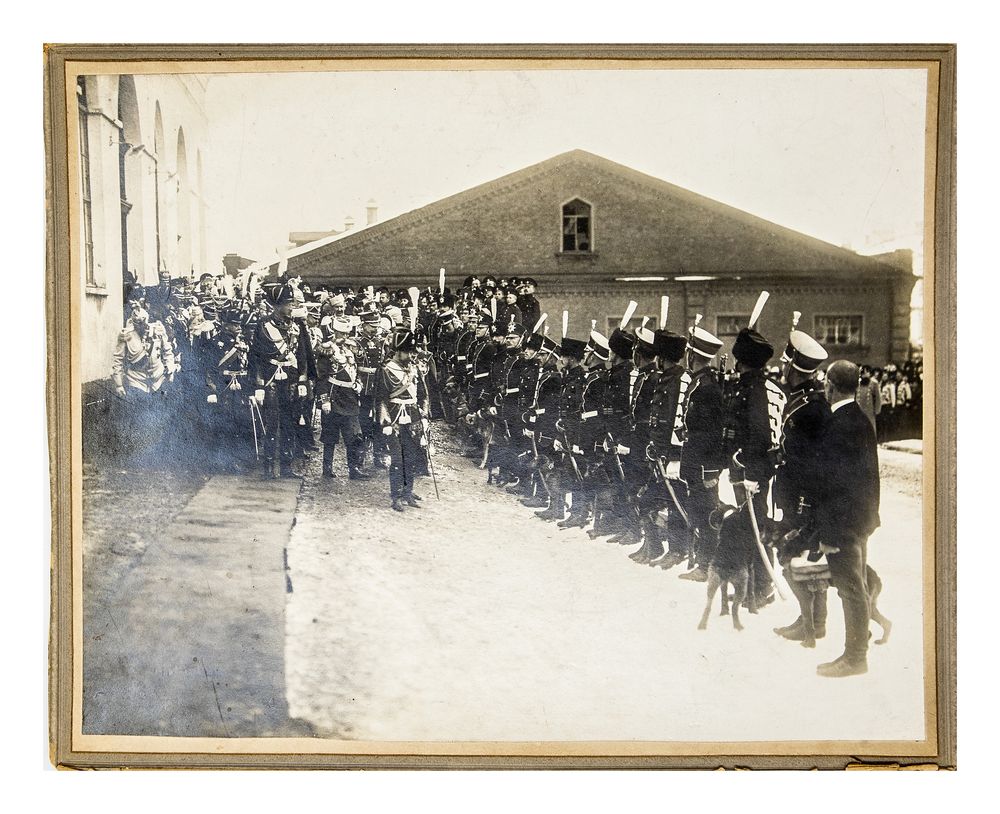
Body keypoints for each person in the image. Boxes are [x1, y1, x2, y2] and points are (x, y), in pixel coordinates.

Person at [813, 359, 882, 677]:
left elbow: (835, 484)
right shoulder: (859, 418)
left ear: (829, 385)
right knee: (856, 583)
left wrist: (829, 530)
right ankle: (859, 640)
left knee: (849, 586)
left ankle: (855, 656)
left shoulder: (840, 423)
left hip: (844, 523)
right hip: (860, 519)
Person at [770, 330, 832, 647]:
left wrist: (807, 502)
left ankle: (811, 623)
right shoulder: (801, 399)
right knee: (801, 560)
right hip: (793, 492)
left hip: (804, 497)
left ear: (794, 367)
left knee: (793, 557)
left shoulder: (813, 407)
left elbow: (816, 461)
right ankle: (812, 621)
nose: (783, 370)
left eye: (785, 365)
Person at [248, 283, 307, 479]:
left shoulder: (296, 327)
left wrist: (302, 381)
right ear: (278, 305)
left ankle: (287, 466)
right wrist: (259, 385)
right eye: (289, 303)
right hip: (271, 381)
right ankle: (268, 468)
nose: (292, 307)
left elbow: (302, 356)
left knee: (290, 424)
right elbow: (255, 357)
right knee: (271, 425)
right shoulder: (263, 326)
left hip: (290, 381)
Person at [377, 329, 429, 511]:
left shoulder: (414, 368)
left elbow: (423, 393)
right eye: (407, 351)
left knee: (412, 456)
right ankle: (396, 495)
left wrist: (424, 413)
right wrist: (385, 421)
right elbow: (381, 398)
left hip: (413, 415)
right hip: (394, 417)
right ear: (398, 351)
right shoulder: (385, 369)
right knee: (397, 459)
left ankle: (408, 492)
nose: (411, 355)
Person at [315, 316, 370, 480]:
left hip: (350, 397)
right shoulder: (326, 349)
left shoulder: (351, 348)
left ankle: (354, 469)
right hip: (333, 396)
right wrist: (324, 400)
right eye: (342, 333)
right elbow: (321, 377)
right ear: (334, 331)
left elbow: (356, 369)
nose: (345, 337)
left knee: (354, 435)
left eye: (347, 334)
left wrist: (358, 383)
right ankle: (327, 469)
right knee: (330, 436)